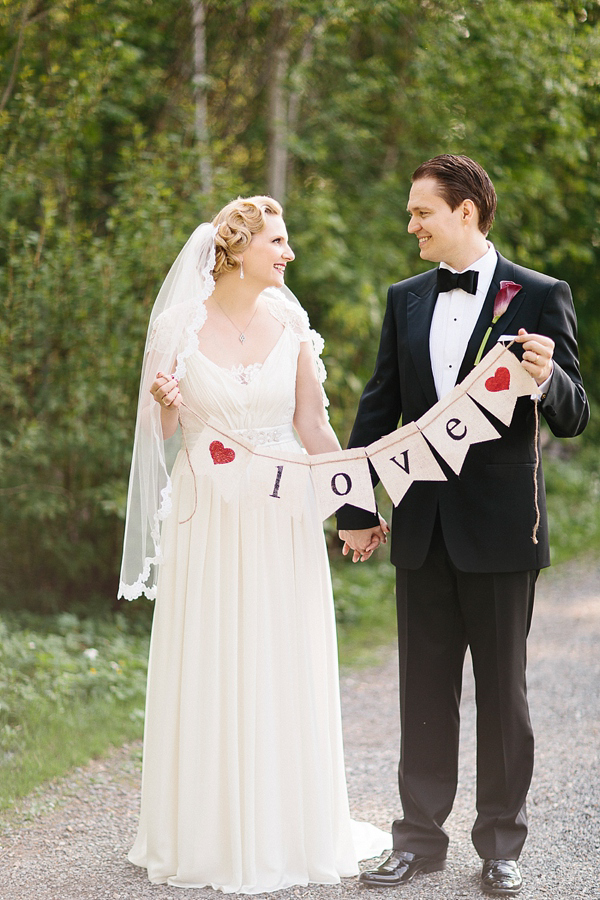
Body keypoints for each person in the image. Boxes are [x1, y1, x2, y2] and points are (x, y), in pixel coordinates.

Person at [118, 196, 391, 892]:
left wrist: (353, 505)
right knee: (212, 655)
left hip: (280, 518)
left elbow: (315, 429)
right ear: (237, 249)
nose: (288, 252)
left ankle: (283, 829)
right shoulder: (177, 327)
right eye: (278, 239)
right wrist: (166, 402)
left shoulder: (293, 324)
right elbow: (159, 438)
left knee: (281, 655)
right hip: (207, 517)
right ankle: (208, 833)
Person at [337, 155, 589, 896]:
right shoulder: (405, 299)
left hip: (504, 528)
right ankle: (417, 841)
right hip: (421, 529)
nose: (410, 224)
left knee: (502, 694)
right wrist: (358, 506)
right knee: (422, 691)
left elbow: (575, 416)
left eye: (422, 212)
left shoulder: (540, 297)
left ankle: (501, 846)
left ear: (468, 213)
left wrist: (546, 375)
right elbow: (379, 407)